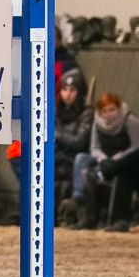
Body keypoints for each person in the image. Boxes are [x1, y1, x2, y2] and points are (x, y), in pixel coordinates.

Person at [65, 93, 139, 230]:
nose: (108, 114)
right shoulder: (97, 122)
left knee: (119, 170)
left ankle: (100, 176)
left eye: (112, 110)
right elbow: (94, 147)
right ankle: (79, 199)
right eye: (105, 111)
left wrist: (117, 158)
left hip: (124, 159)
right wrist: (103, 159)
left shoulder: (129, 120)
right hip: (104, 159)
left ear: (118, 108)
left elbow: (136, 146)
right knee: (82, 158)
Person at [53, 68, 92, 223]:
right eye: (64, 89)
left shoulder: (86, 113)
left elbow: (79, 142)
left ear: (79, 92)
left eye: (72, 90)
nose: (67, 94)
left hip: (75, 158)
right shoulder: (56, 111)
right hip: (58, 156)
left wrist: (57, 135)